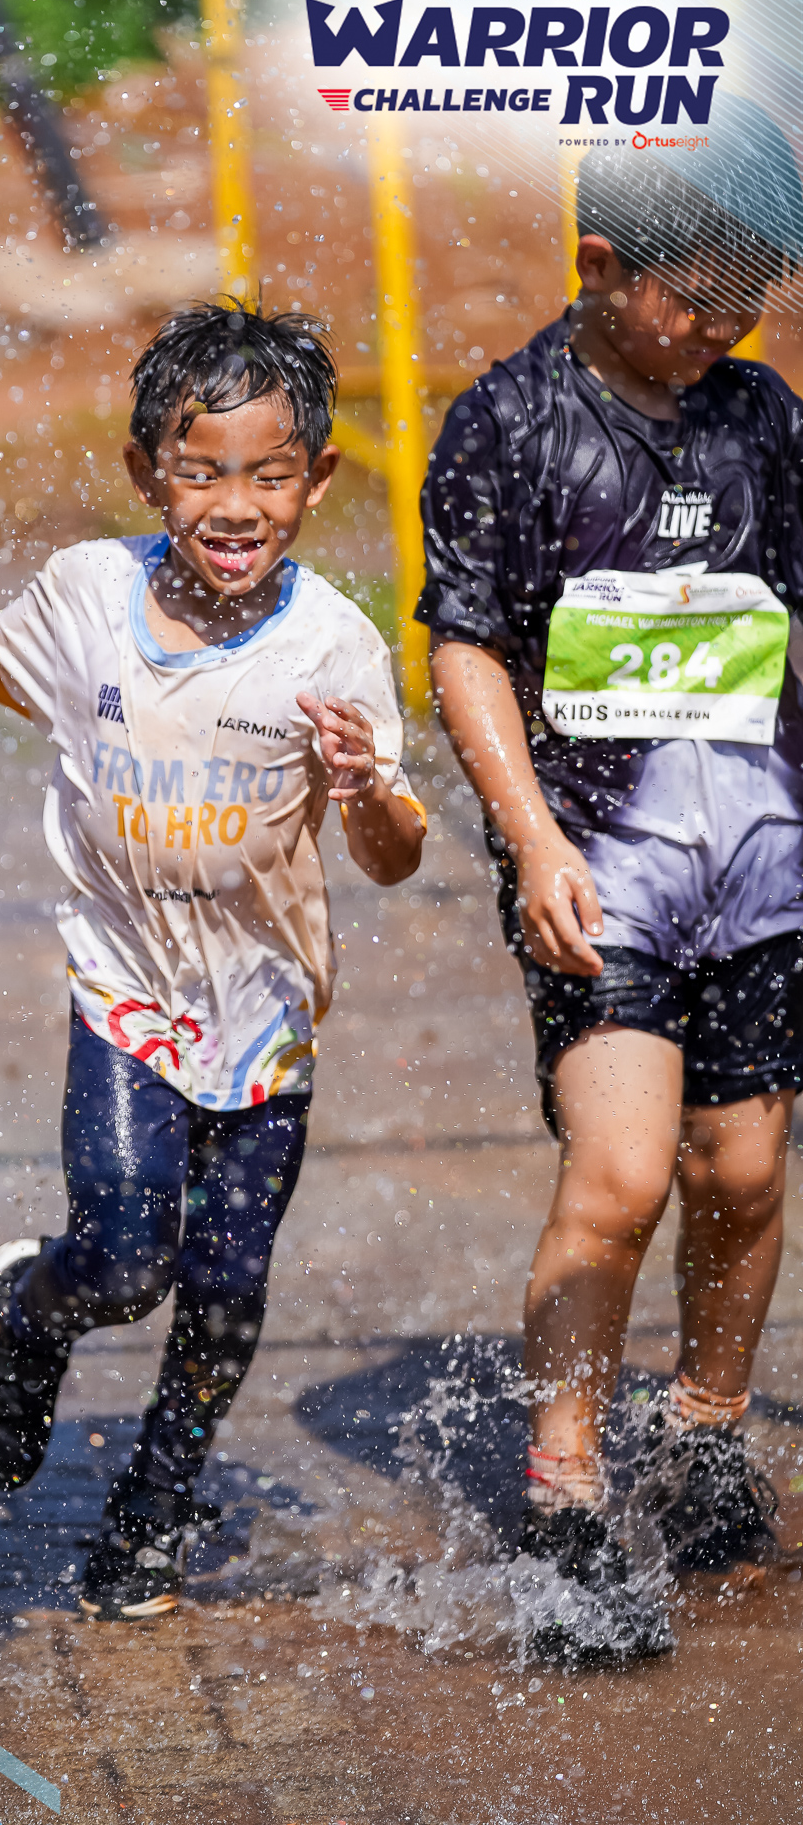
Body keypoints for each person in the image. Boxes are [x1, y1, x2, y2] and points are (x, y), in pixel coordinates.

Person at [0, 300, 425, 1618]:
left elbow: (396, 854)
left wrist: (364, 788)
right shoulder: (88, 599)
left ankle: (154, 1504)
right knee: (128, 1261)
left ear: (317, 479)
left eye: (269, 475)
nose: (235, 507)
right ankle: (32, 1316)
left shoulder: (333, 647)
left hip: (268, 1010)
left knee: (227, 1291)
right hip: (126, 991)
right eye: (200, 473)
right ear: (147, 474)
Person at [421, 96, 803, 1661]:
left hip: (761, 863)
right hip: (603, 868)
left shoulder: (762, 417)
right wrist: (531, 839)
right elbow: (464, 646)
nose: (724, 332)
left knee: (747, 1171)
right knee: (627, 1174)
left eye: (750, 305)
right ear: (599, 266)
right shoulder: (509, 424)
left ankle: (705, 1432)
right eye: (697, 305)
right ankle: (566, 1484)